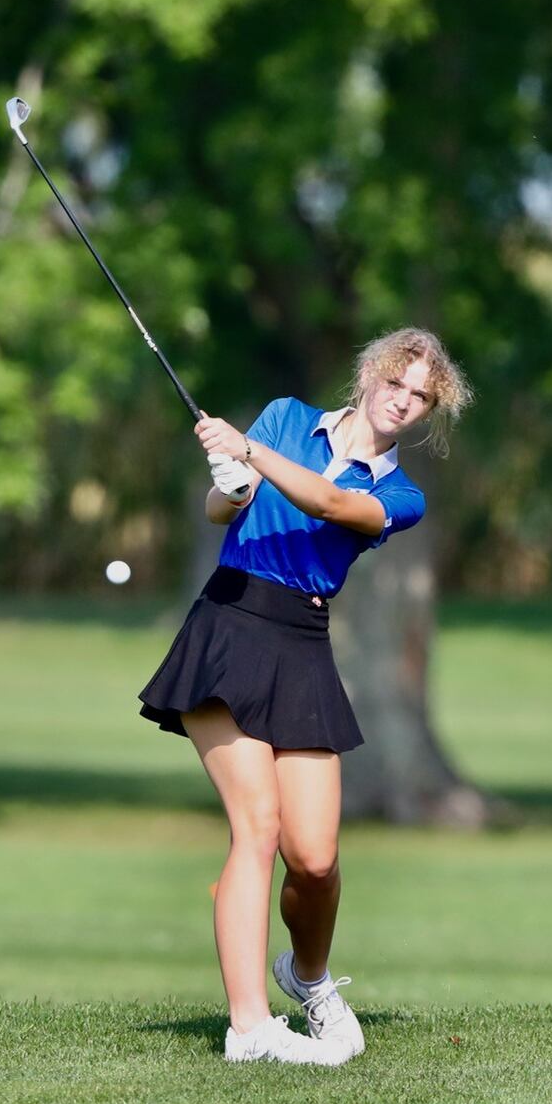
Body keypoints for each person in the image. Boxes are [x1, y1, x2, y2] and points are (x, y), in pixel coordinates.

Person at [139, 327, 472, 1065]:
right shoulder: (287, 415)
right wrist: (228, 489)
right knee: (255, 826)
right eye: (396, 382)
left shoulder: (399, 494)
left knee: (315, 858)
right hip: (228, 625)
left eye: (420, 397)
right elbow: (222, 511)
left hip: (303, 643)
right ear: (369, 375)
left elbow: (326, 502)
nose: (404, 401)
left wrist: (247, 451)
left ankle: (309, 978)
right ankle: (249, 1029)